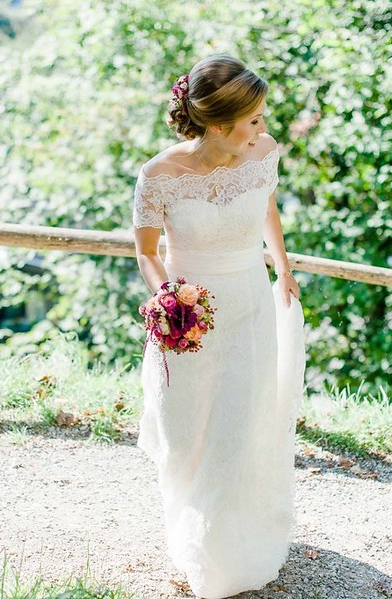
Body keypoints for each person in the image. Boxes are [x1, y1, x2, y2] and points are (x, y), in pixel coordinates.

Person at [132, 54, 306, 598]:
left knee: (240, 422)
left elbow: (266, 205)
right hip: (192, 314)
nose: (263, 128)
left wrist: (282, 265)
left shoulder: (265, 151)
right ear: (216, 125)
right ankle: (187, 520)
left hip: (250, 303)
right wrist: (168, 297)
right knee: (185, 430)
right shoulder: (158, 176)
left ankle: (226, 548)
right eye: (252, 120)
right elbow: (146, 251)